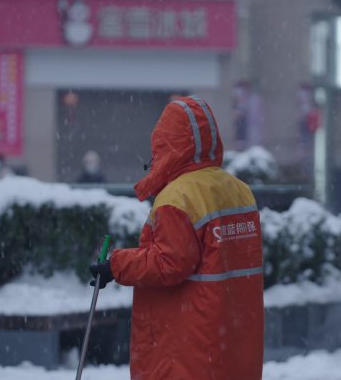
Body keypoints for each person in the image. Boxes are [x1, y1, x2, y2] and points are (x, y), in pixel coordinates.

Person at [89, 96, 264, 380]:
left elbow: (169, 263)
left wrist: (115, 265)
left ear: (166, 144)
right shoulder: (239, 190)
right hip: (232, 344)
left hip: (189, 347)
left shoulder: (178, 197)